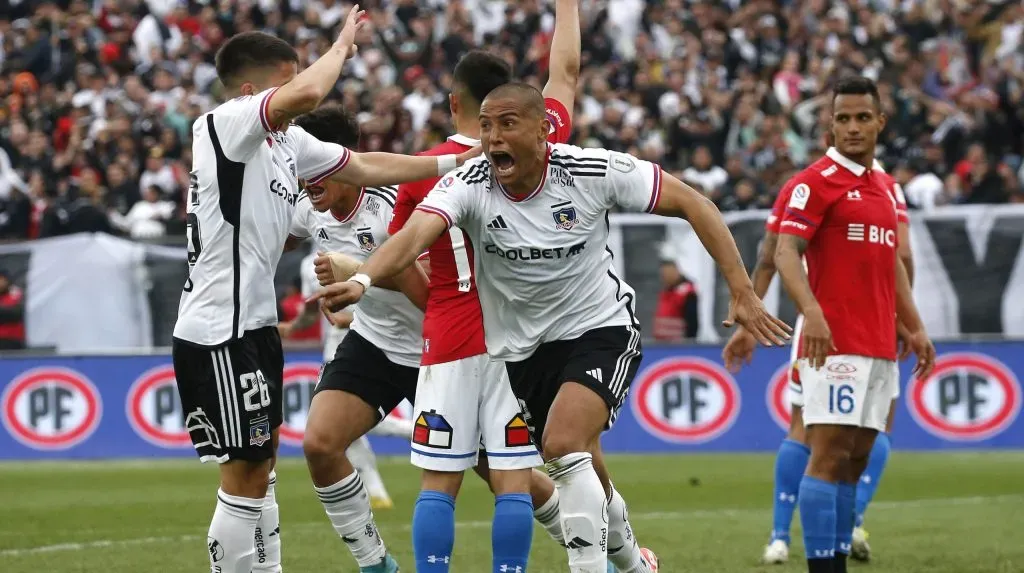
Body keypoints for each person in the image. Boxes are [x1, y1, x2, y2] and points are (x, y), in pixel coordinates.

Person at [311, 82, 791, 573]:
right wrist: (365, 277)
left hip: (599, 329)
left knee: (563, 446)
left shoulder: (591, 170)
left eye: (507, 124)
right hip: (522, 352)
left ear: (544, 131)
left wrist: (741, 290)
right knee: (585, 465)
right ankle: (632, 562)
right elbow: (413, 235)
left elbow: (695, 203)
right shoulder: (470, 182)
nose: (493, 138)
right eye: (487, 126)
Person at [169, 8, 479, 573]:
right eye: (282, 83)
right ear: (249, 92)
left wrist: (455, 161)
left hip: (254, 328)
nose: (294, 94)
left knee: (260, 470)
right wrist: (341, 44)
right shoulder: (225, 124)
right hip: (218, 329)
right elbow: (311, 92)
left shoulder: (286, 145)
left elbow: (363, 165)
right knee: (242, 477)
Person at [772, 76, 935, 573]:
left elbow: (891, 269)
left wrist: (915, 326)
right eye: (843, 118)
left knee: (857, 457)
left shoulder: (886, 189)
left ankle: (837, 557)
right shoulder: (814, 183)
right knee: (827, 453)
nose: (853, 127)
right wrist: (813, 313)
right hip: (834, 343)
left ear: (880, 122)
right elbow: (784, 252)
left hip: (879, 343)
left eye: (863, 117)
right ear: (830, 126)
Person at [725, 156, 915, 564]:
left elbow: (768, 253)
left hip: (841, 326)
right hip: (835, 329)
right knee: (872, 428)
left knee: (809, 430)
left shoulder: (804, 183)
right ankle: (849, 522)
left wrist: (748, 318)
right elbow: (905, 256)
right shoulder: (885, 185)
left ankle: (781, 536)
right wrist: (903, 317)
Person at [279, 104, 430, 573]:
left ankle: (611, 558)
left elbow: (429, 297)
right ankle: (377, 565)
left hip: (438, 351)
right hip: (374, 345)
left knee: (504, 473)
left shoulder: (393, 206)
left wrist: (357, 272)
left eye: (311, 169)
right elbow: (273, 236)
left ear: (339, 159)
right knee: (320, 445)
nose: (305, 182)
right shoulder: (310, 207)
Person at [652, 259, 699, 342]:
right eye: (663, 275)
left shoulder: (687, 292)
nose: (665, 277)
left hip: (678, 345)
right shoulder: (666, 292)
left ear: (676, 271)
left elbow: (692, 321)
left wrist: (689, 342)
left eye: (667, 273)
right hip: (661, 344)